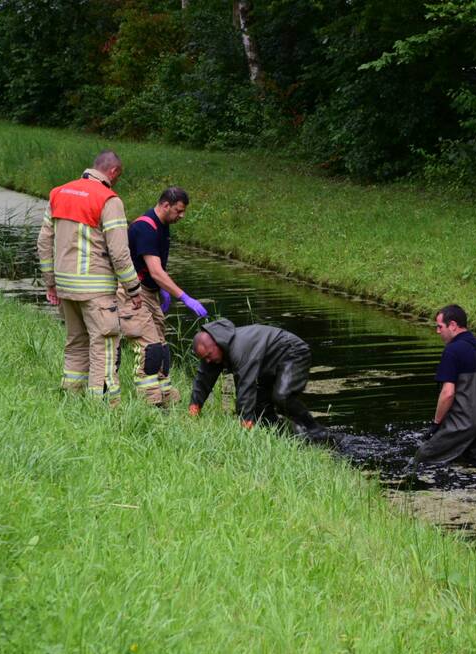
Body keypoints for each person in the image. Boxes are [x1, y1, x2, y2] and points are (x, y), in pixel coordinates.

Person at [36, 150, 141, 404]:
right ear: (113, 172)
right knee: (103, 346)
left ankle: (71, 397)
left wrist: (51, 282)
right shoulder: (108, 199)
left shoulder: (59, 193)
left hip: (65, 287)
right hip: (96, 290)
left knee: (75, 343)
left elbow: (43, 242)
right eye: (118, 176)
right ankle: (102, 406)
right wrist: (133, 288)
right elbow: (119, 252)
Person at [117, 186, 207, 406]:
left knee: (162, 348)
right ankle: (149, 402)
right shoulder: (145, 228)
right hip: (133, 293)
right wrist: (183, 297)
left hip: (150, 291)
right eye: (178, 211)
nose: (181, 216)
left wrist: (163, 289)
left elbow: (156, 270)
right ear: (165, 205)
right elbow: (156, 271)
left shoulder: (163, 225)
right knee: (150, 347)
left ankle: (164, 396)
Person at [188, 318, 329, 441]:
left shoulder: (239, 348)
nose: (208, 360)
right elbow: (203, 379)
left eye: (209, 355)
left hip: (293, 352)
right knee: (261, 411)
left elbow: (246, 387)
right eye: (204, 358)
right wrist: (194, 410)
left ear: (216, 343)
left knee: (282, 397)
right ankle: (286, 437)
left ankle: (316, 430)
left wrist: (245, 425)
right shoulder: (214, 354)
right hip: (267, 364)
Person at [412, 304, 476, 467]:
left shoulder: (452, 351)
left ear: (453, 325)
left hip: (460, 426)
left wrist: (436, 424)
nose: (437, 331)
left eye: (440, 327)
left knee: (421, 459)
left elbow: (448, 393)